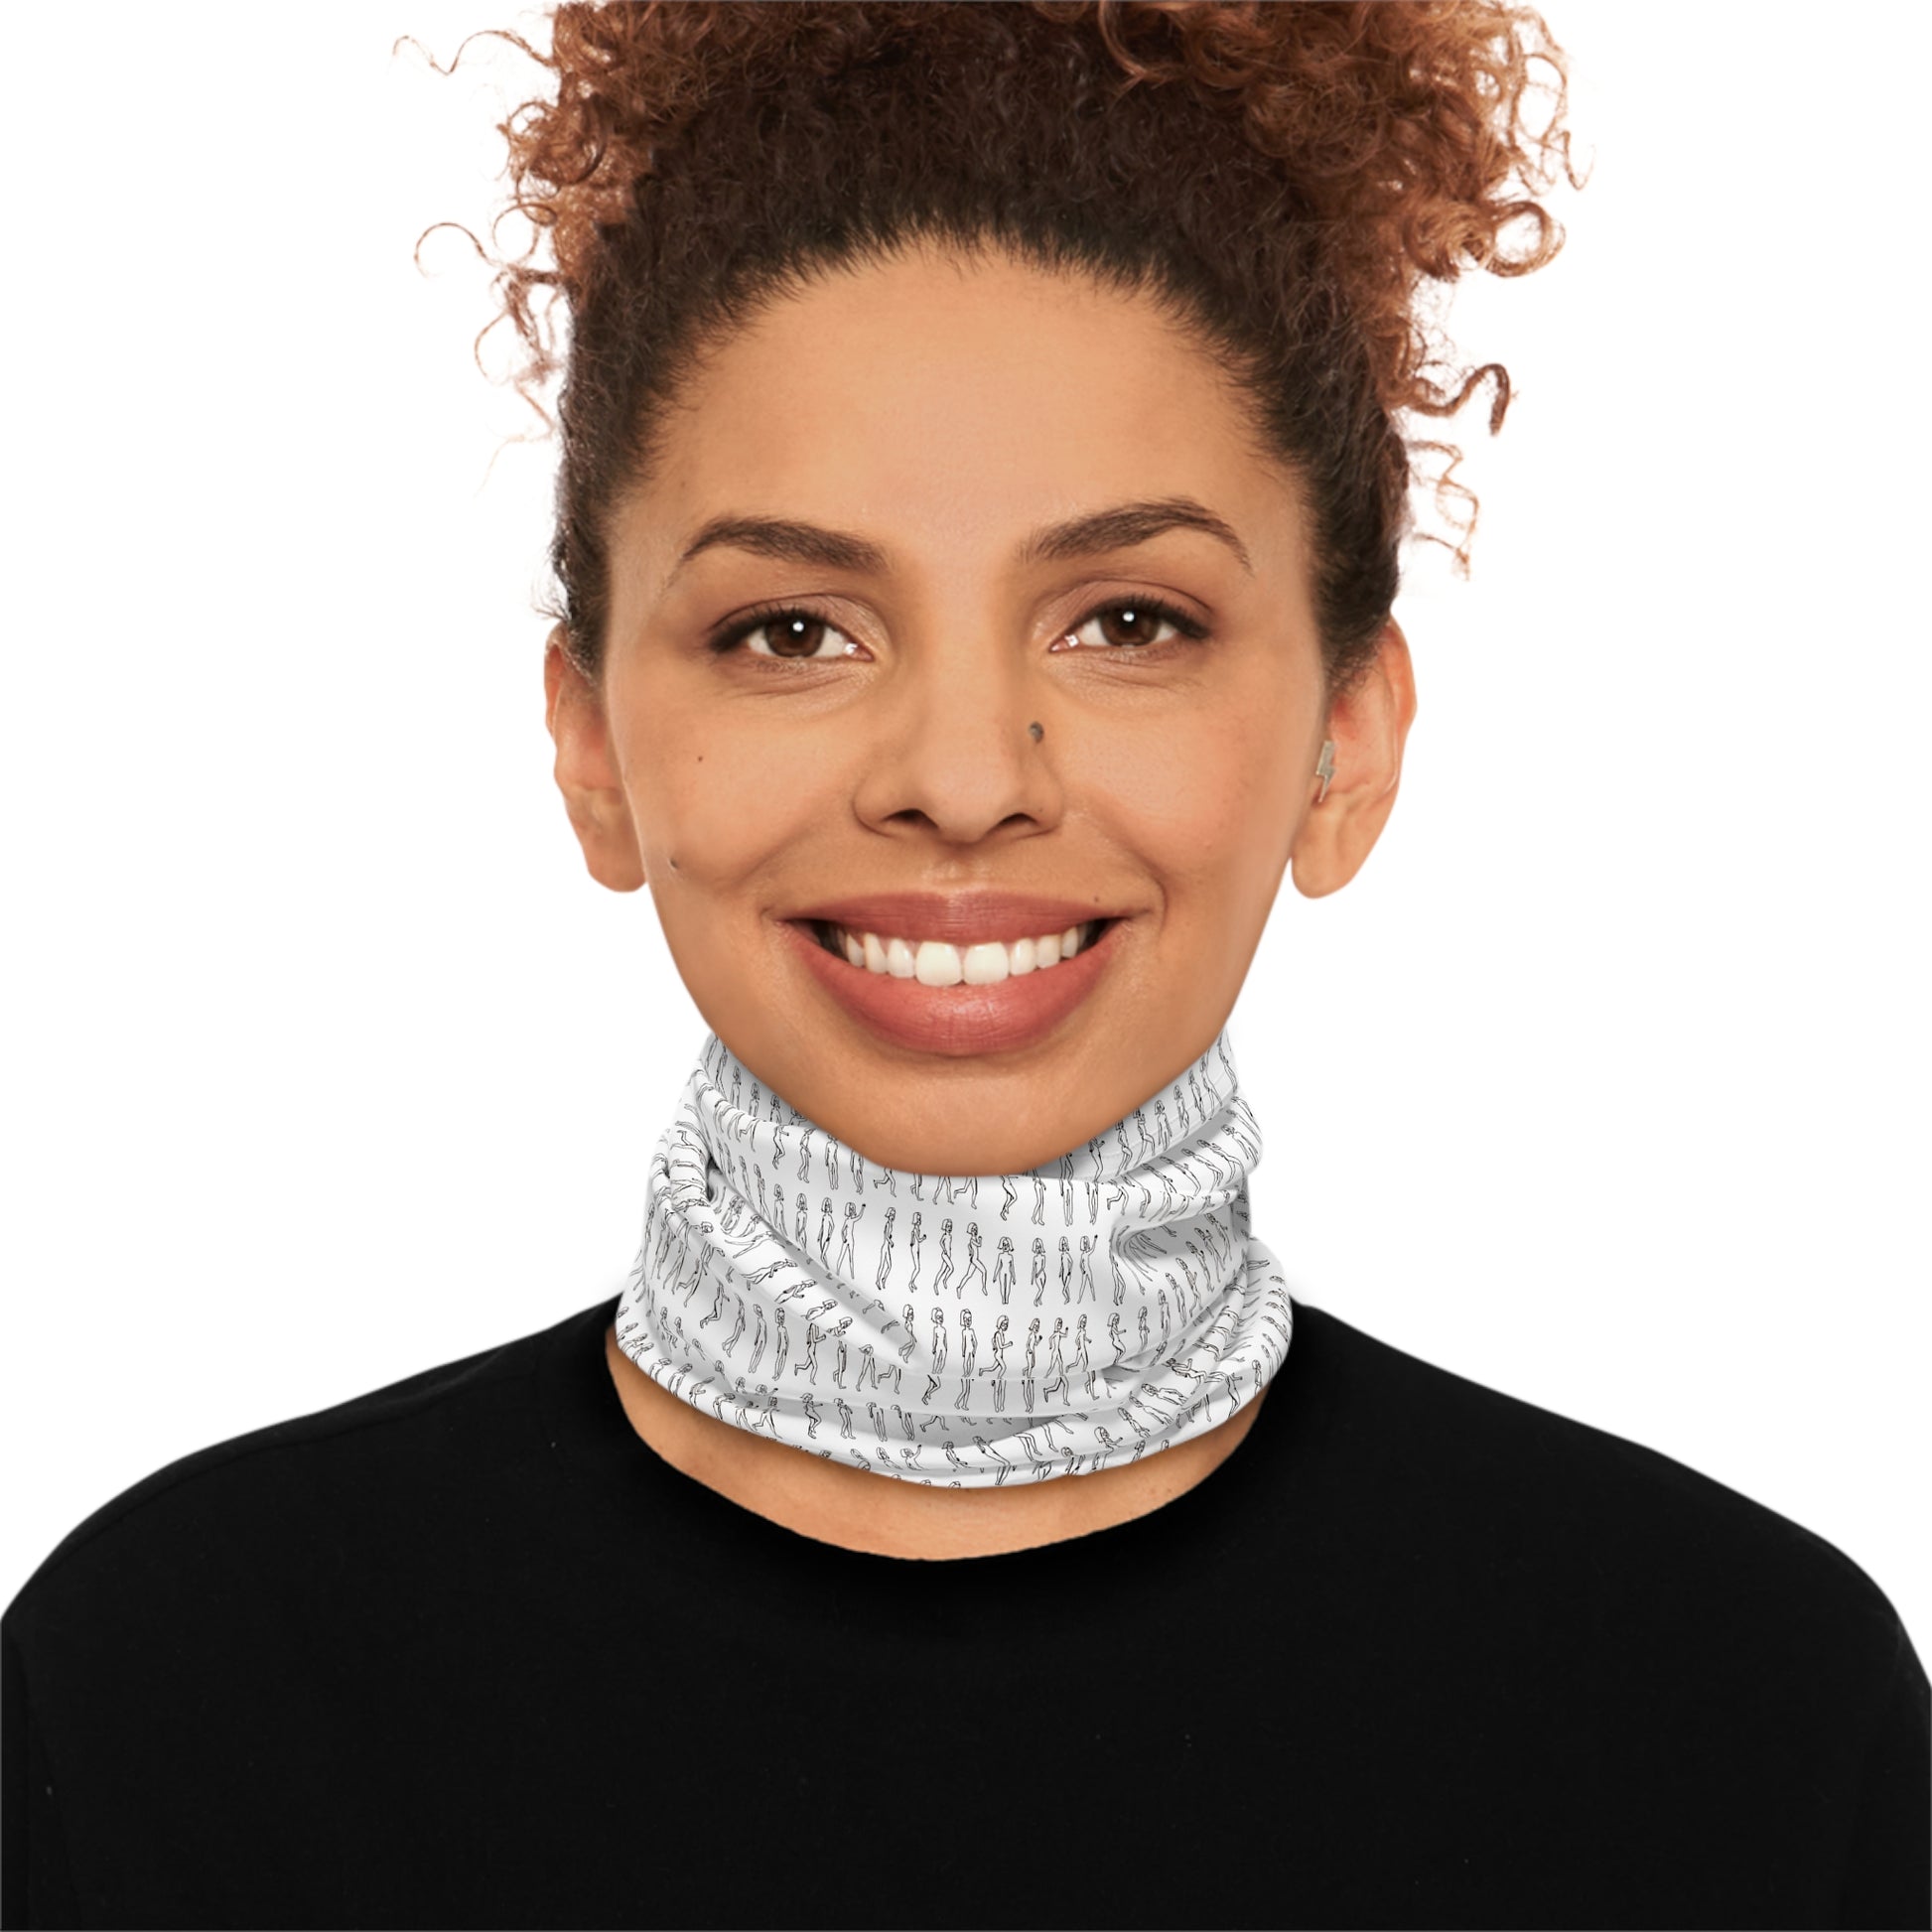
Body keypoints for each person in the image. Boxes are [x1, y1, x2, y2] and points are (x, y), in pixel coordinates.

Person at [4, 4, 1926, 1927]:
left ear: (1347, 738)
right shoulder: (162, 1696)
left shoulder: (1741, 1718)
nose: (956, 778)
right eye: (789, 632)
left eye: (1124, 619)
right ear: (589, 745)